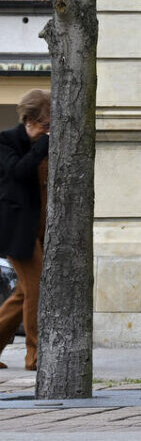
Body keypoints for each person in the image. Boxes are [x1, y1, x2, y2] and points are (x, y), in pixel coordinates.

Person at [0, 88, 50, 370]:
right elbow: (18, 173)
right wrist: (42, 145)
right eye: (45, 124)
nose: (48, 130)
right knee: (36, 289)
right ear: (29, 120)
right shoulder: (6, 142)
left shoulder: (41, 143)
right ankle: (35, 356)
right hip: (18, 230)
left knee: (23, 293)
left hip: (41, 228)